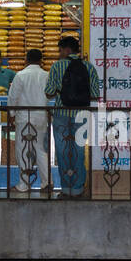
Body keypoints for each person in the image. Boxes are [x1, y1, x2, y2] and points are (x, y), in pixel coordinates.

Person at [45, 36, 100, 199]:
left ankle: (66, 189)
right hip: (81, 116)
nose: (59, 54)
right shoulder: (89, 67)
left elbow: (48, 93)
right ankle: (77, 188)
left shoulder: (57, 67)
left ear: (66, 50)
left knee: (63, 152)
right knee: (78, 151)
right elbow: (96, 96)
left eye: (60, 50)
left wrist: (62, 91)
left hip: (61, 115)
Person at [7, 49, 51, 192]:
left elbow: (13, 97)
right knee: (40, 149)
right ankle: (47, 182)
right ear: (41, 61)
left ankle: (24, 184)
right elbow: (50, 95)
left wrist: (11, 113)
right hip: (41, 116)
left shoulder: (20, 75)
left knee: (23, 149)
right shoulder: (47, 75)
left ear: (26, 60)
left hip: (24, 117)